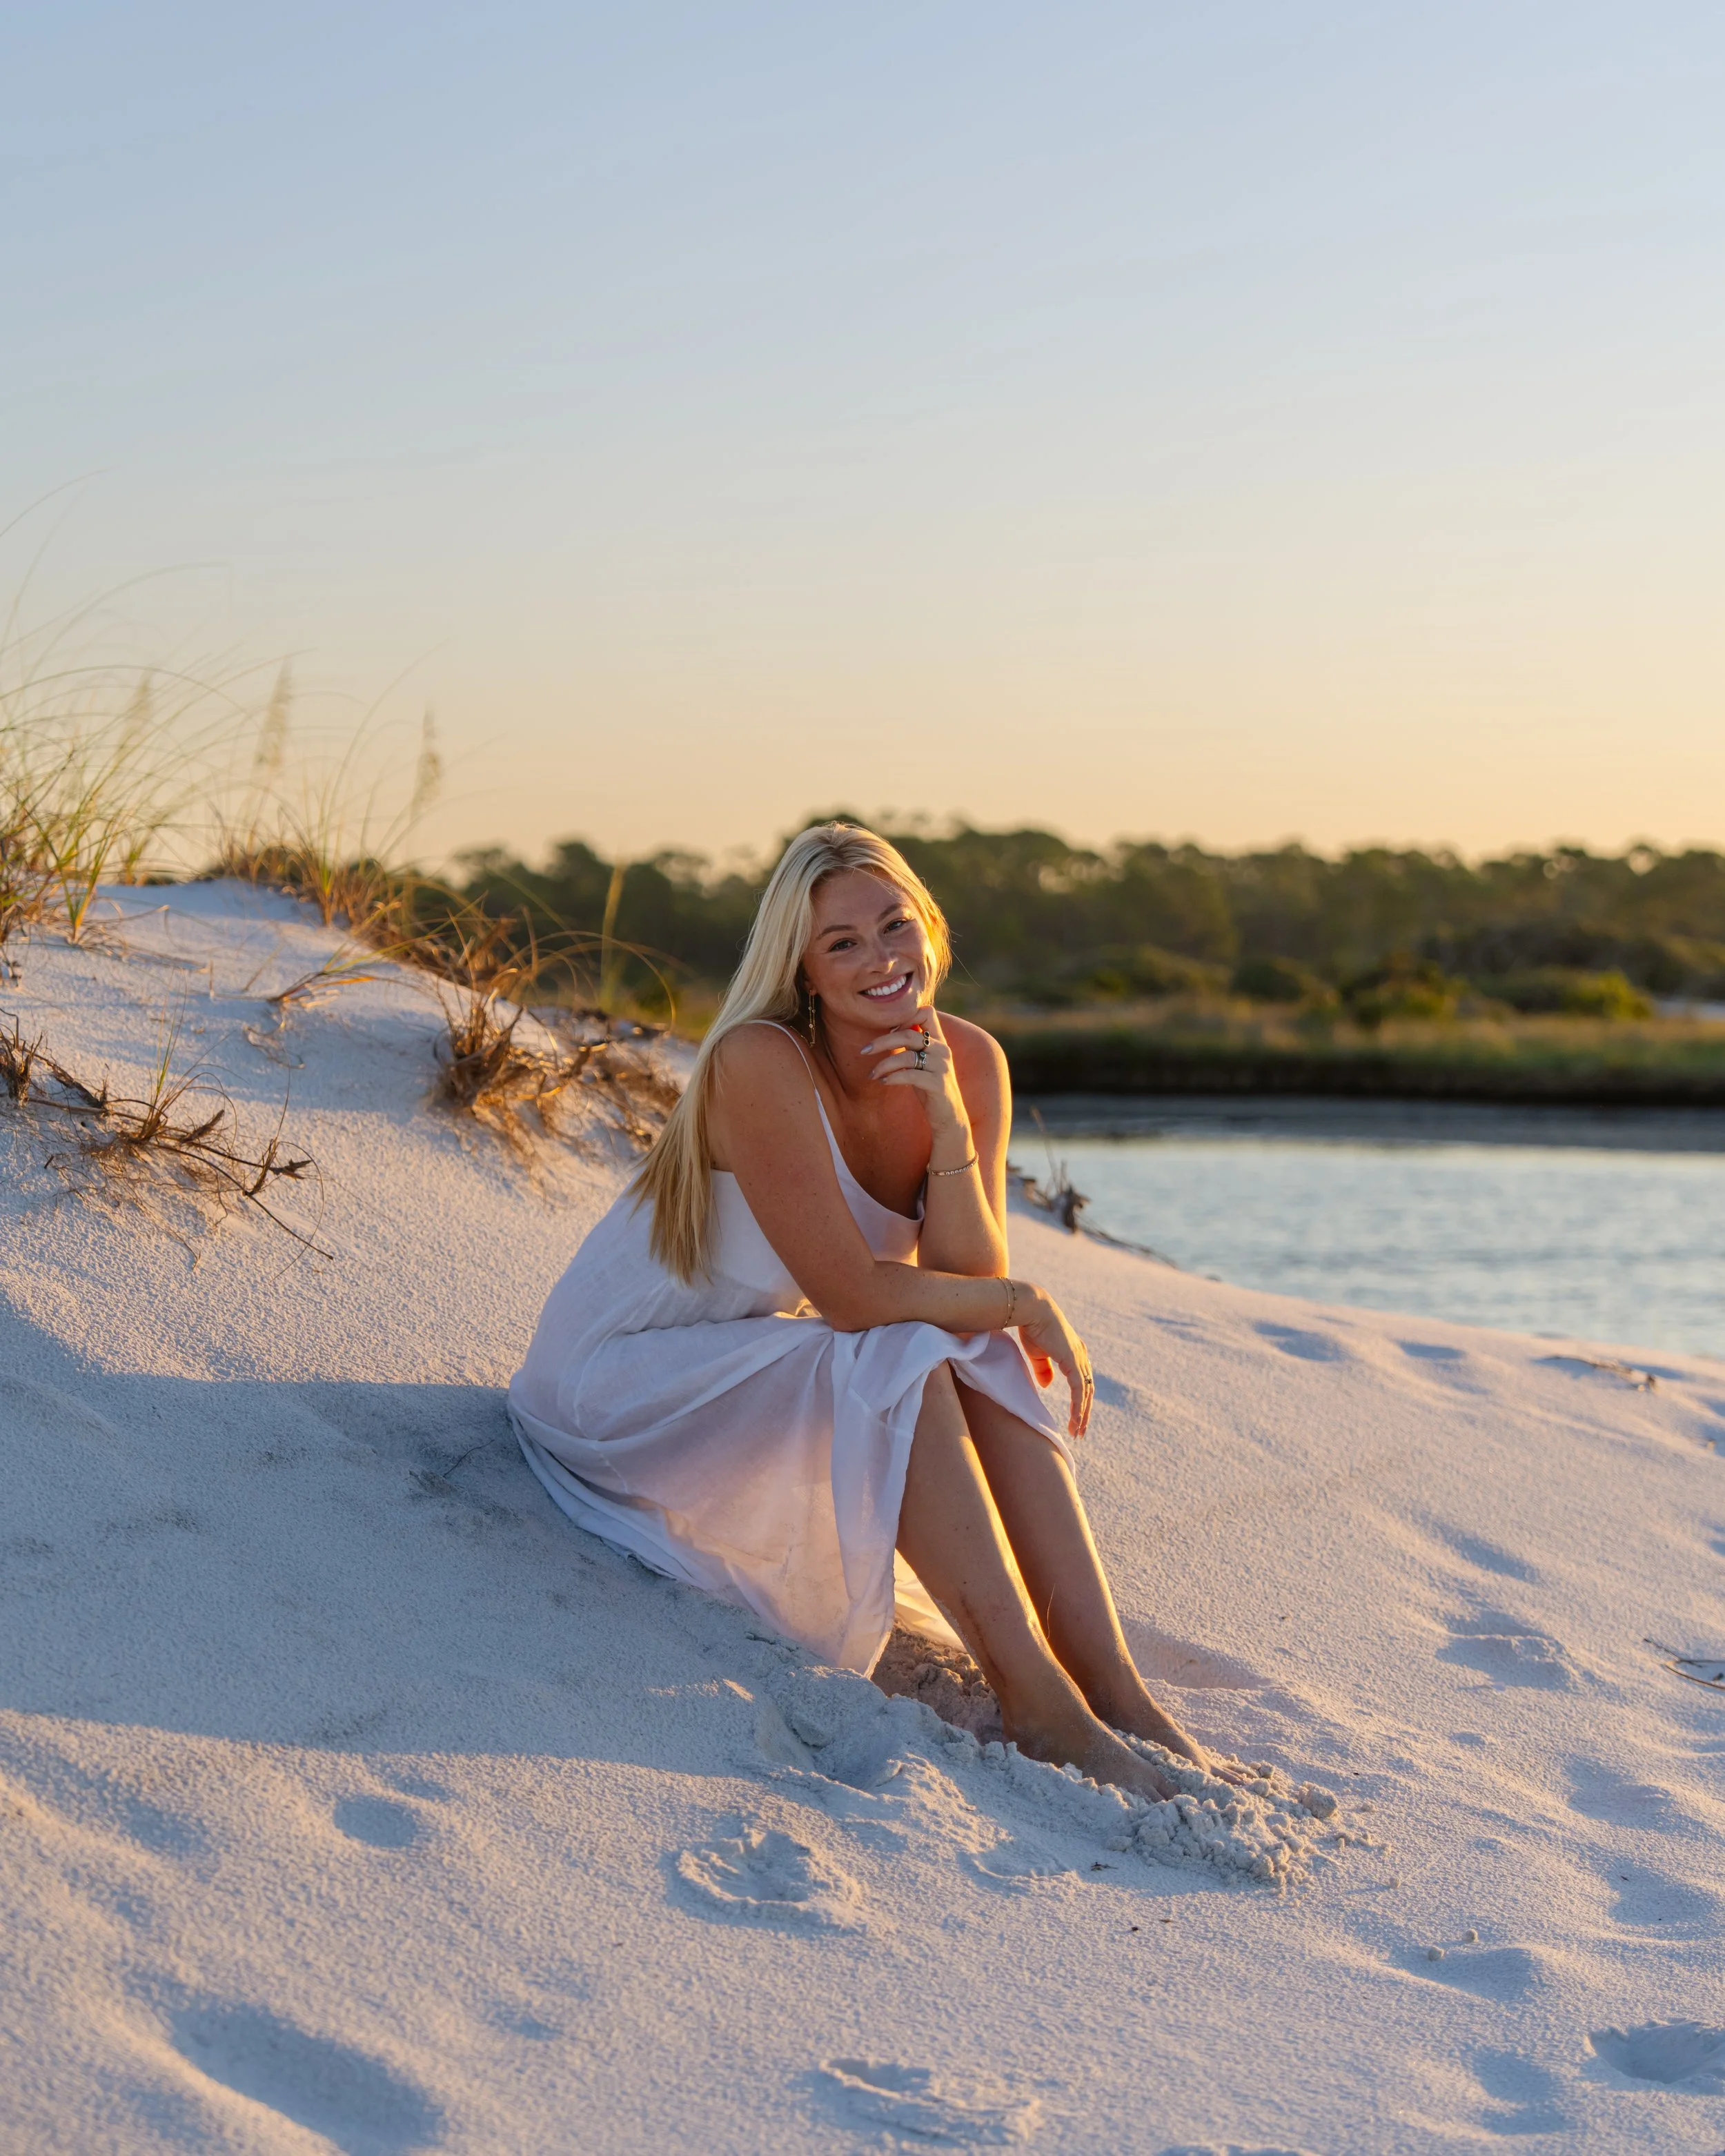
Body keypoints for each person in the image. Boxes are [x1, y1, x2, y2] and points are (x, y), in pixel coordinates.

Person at [509, 822, 1227, 1799]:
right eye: (842, 944)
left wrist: (948, 1129)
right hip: (624, 1378)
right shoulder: (759, 1062)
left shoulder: (966, 1061)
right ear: (803, 972)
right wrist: (1028, 1300)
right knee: (904, 1353)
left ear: (930, 929)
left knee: (977, 1351)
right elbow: (855, 1299)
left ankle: (1114, 1689)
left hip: (744, 1361)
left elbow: (966, 1290)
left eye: (895, 927)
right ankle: (1037, 1703)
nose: (881, 960)